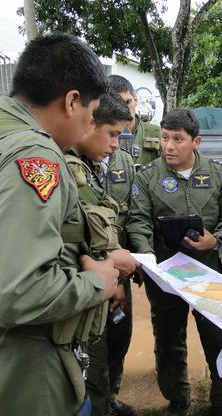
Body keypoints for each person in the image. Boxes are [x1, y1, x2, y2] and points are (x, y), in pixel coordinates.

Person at [0, 33, 121, 416]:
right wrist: (99, 282)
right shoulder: (33, 155)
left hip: (0, 356)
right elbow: (16, 293)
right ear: (72, 101)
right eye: (90, 117)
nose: (87, 128)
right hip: (26, 368)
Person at [127, 108, 222, 416]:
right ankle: (177, 399)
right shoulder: (148, 175)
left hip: (210, 271)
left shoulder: (218, 175)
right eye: (165, 138)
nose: (169, 146)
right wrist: (145, 254)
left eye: (178, 139)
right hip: (165, 273)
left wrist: (215, 240)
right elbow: (138, 220)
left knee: (217, 336)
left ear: (196, 142)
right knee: (168, 338)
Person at [67, 91, 141, 416]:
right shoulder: (68, 168)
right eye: (112, 134)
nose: (116, 145)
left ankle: (107, 402)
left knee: (115, 345)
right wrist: (107, 267)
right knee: (90, 364)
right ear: (89, 121)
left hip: (108, 280)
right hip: (85, 288)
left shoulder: (94, 164)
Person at [108, 74, 161, 166]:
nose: (124, 109)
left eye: (128, 102)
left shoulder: (156, 132)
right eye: (118, 104)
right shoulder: (101, 137)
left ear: (136, 99)